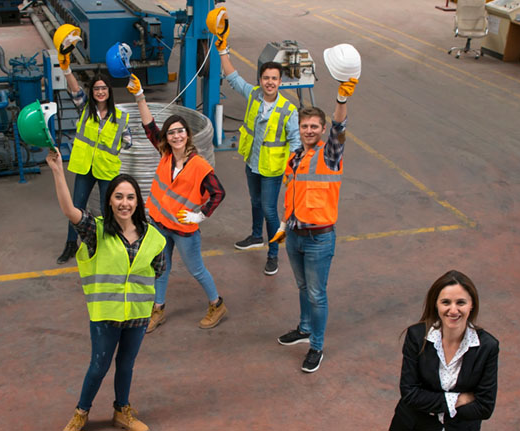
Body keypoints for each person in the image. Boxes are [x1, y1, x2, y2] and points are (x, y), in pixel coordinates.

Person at [46, 149, 163, 431]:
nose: (125, 203)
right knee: (99, 366)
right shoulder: (96, 231)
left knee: (126, 365)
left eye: (130, 197)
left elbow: (158, 270)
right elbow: (69, 211)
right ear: (109, 201)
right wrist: (58, 172)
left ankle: (122, 411)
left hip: (137, 315)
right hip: (106, 315)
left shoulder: (154, 237)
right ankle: (81, 411)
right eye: (118, 197)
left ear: (138, 201)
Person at [127, 76, 229, 333]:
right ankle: (158, 309)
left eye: (180, 131)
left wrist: (200, 216)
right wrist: (140, 97)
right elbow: (150, 127)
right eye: (171, 133)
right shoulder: (165, 154)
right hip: (161, 224)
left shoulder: (199, 166)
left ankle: (217, 304)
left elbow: (218, 193)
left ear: (188, 135)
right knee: (161, 267)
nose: (176, 136)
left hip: (184, 230)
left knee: (196, 270)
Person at [270, 77, 356, 373]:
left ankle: (316, 346)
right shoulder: (294, 159)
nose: (309, 131)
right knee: (302, 286)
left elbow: (339, 130)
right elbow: (293, 196)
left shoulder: (330, 155)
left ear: (321, 130)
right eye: (304, 126)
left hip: (319, 238)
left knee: (317, 293)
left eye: (314, 127)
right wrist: (284, 225)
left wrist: (341, 102)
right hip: (294, 235)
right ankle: (304, 328)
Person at [214, 9, 302, 276]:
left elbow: (297, 143)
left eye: (274, 79)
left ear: (280, 82)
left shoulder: (289, 110)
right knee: (254, 202)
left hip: (273, 169)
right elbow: (232, 77)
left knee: (269, 210)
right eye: (266, 78)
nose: (270, 83)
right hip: (252, 162)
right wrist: (222, 51)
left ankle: (273, 253)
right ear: (261, 80)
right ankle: (255, 236)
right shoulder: (252, 95)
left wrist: (293, 172)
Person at [389, 270, 499, 431]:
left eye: (460, 302)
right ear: (436, 304)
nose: (453, 310)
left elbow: (484, 407)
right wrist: (458, 399)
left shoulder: (487, 347)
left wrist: (429, 402)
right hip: (412, 426)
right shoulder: (417, 336)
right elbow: (410, 394)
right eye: (446, 302)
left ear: (472, 304)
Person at [55, 43, 134, 265]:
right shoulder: (85, 109)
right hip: (85, 166)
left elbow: (128, 142)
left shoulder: (120, 117)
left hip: (106, 168)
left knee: (106, 209)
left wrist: (114, 147)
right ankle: (72, 243)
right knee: (76, 206)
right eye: (97, 89)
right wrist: (67, 69)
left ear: (109, 92)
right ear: (93, 92)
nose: (100, 92)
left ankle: (103, 245)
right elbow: (74, 91)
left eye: (104, 89)